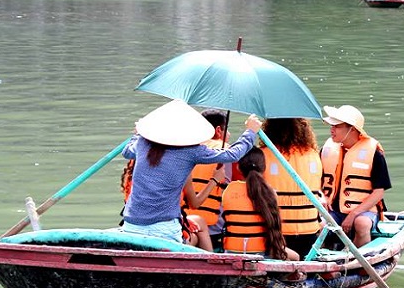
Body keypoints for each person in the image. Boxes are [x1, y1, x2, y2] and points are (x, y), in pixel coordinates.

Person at [121, 99, 261, 243]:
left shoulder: (142, 143)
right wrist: (250, 132)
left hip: (131, 224)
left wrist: (138, 133)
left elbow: (126, 151)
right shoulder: (190, 151)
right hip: (164, 228)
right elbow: (233, 154)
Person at [320, 105, 391, 247]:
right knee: (317, 224)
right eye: (331, 125)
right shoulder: (326, 150)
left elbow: (379, 192)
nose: (331, 130)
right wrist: (321, 198)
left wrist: (353, 215)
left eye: (337, 126)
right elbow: (315, 181)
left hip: (364, 212)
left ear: (351, 129)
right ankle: (322, 261)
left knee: (362, 224)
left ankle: (358, 264)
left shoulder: (374, 153)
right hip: (332, 212)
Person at [260, 118, 323, 258]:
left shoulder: (262, 155)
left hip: (277, 234)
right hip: (310, 232)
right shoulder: (314, 155)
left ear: (269, 130)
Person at [221, 147, 299, 260]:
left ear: (238, 167)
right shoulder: (270, 193)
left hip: (231, 252)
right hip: (260, 255)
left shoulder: (229, 190)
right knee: (296, 257)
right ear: (264, 168)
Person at [183, 109, 231, 250]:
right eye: (226, 130)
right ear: (218, 131)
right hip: (214, 229)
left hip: (185, 222)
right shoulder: (227, 153)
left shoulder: (183, 150)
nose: (229, 135)